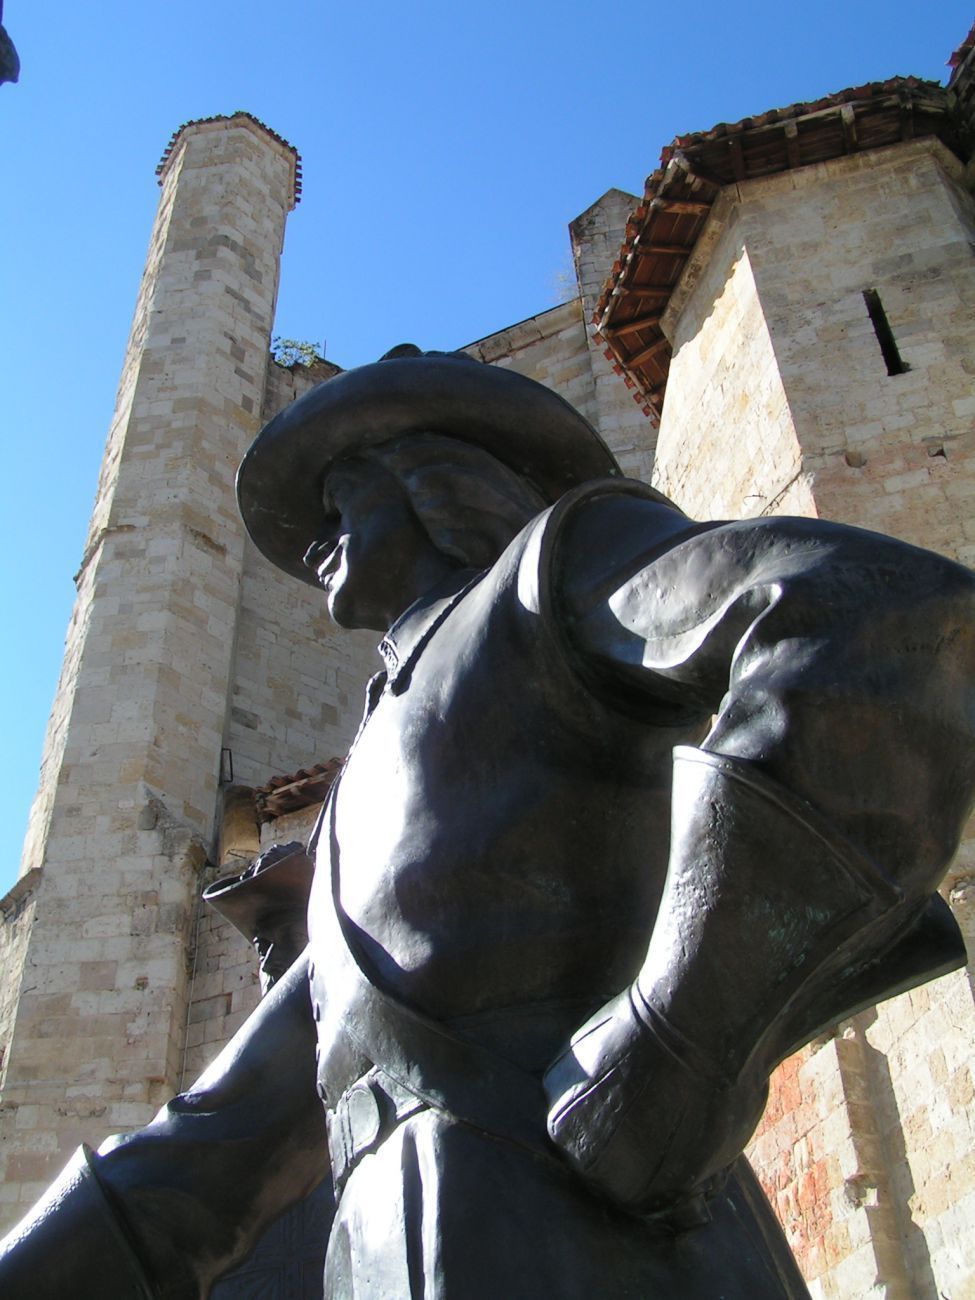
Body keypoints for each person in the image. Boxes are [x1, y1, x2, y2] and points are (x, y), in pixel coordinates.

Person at [2, 348, 973, 1298]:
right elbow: (218, 1144)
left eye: (343, 493)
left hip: (605, 1253)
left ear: (435, 481)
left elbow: (871, 617)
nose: (315, 538)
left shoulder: (549, 576)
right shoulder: (359, 797)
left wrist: (682, 1042)